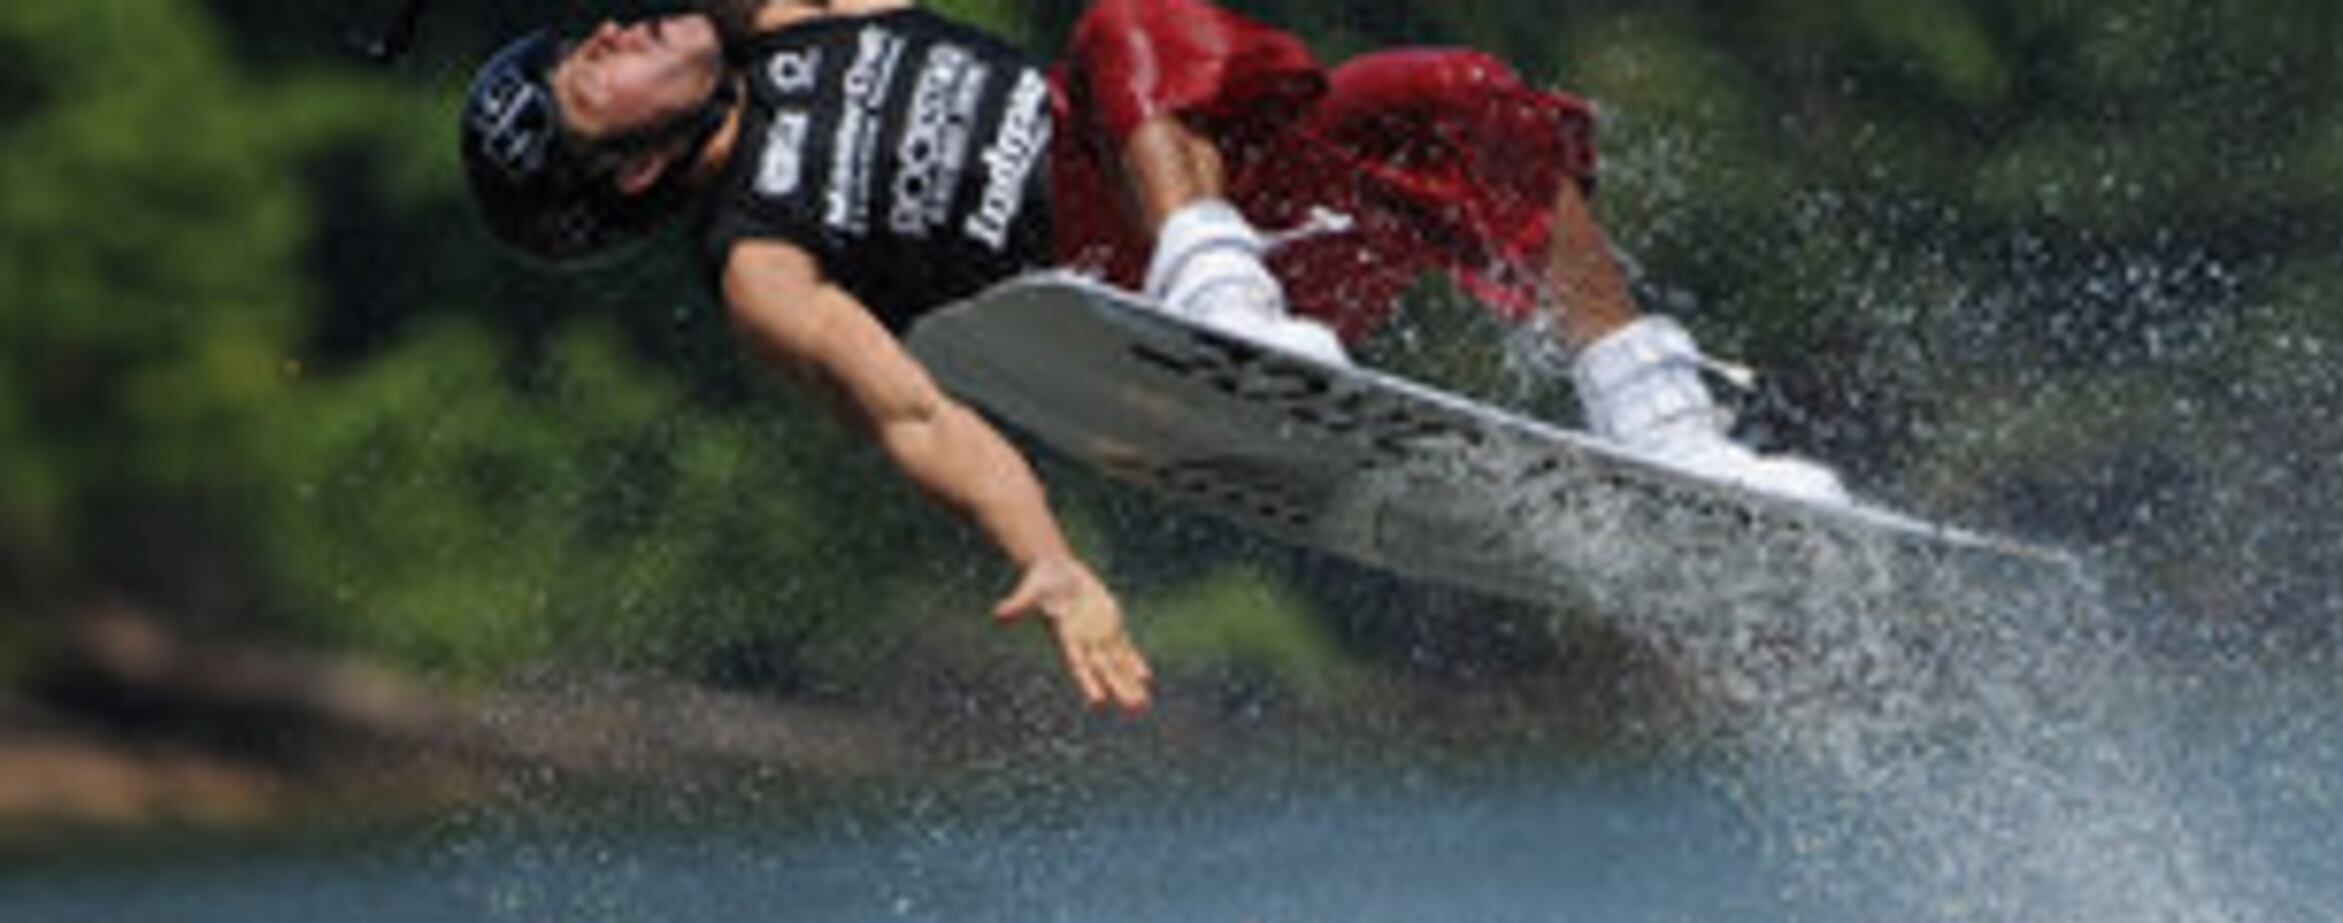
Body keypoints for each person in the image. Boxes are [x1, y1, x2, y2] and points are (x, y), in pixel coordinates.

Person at [461, 1, 1843, 712]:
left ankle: (1662, 424)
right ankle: (1218, 296)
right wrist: (1044, 555)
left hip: (1252, 225)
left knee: (1455, 98)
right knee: (1124, 24)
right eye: (591, 72)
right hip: (1128, 287)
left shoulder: (806, 20)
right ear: (631, 174)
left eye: (588, 31)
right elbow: (914, 417)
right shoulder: (761, 260)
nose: (616, 27)